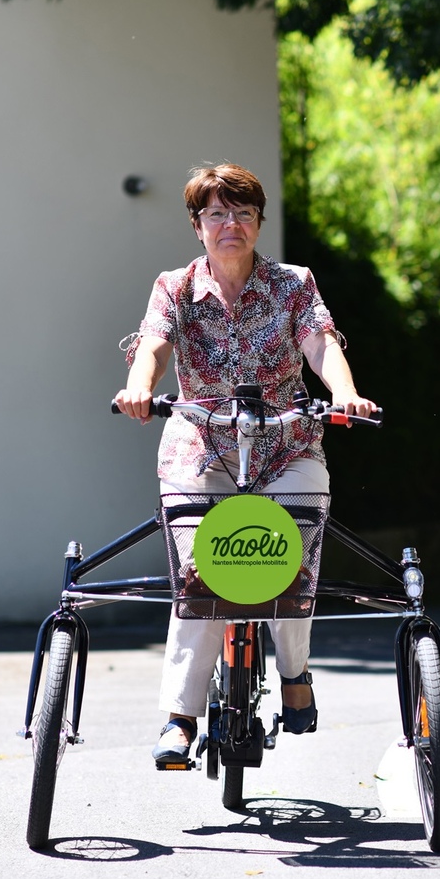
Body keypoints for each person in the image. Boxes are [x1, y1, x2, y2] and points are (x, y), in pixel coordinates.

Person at [114, 163, 376, 761]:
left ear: (259, 222)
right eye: (216, 214)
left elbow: (320, 342)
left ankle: (294, 676)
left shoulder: (292, 283)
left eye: (243, 213)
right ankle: (180, 716)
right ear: (198, 226)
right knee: (200, 577)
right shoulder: (174, 287)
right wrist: (137, 386)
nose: (230, 223)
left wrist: (343, 392)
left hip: (287, 443)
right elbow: (154, 344)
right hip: (201, 446)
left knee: (289, 561)